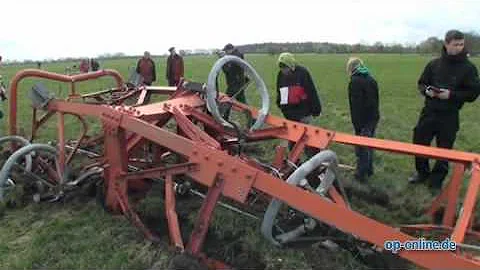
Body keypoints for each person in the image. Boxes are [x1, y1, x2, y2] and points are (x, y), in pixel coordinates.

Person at [408, 30, 480, 190]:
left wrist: (451, 95)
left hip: (449, 115)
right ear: (446, 44)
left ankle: (436, 180)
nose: (459, 47)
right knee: (419, 142)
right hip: (429, 111)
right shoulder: (433, 64)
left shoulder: (469, 69)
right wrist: (426, 90)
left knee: (445, 149)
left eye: (461, 44)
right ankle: (422, 173)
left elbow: (473, 93)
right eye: (455, 44)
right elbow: (421, 82)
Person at [276, 52, 322, 158]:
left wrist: (316, 109)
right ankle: (294, 163)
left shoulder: (303, 73)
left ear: (291, 65)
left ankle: (314, 162)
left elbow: (311, 91)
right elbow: (279, 91)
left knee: (308, 139)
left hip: (304, 113)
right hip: (289, 115)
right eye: (281, 68)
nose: (284, 71)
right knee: (292, 140)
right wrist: (280, 104)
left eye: (285, 67)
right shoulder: (280, 75)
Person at [346, 57, 380, 182]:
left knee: (361, 148)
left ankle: (361, 173)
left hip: (363, 121)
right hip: (373, 117)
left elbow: (356, 106)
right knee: (369, 145)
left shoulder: (354, 82)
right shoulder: (371, 79)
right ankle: (369, 169)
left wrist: (358, 125)